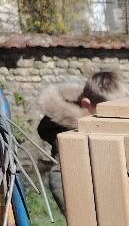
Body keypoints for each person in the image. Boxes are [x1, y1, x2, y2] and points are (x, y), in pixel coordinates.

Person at [34, 70, 124, 209]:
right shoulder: (69, 136)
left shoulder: (104, 121)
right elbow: (59, 179)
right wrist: (81, 213)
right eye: (108, 112)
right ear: (86, 104)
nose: (114, 119)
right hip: (90, 207)